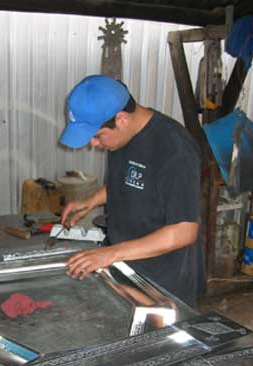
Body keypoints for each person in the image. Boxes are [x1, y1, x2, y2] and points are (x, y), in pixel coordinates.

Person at [59, 74, 204, 308]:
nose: (93, 145)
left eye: (97, 136)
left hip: (163, 283)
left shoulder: (175, 151)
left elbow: (183, 231)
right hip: (127, 267)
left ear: (122, 119)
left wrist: (111, 253)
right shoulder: (120, 138)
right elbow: (129, 181)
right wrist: (90, 201)